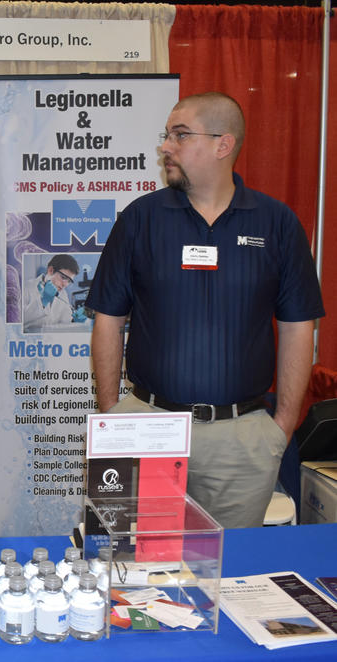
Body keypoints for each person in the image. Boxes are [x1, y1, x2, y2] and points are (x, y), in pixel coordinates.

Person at [86, 92, 324, 529]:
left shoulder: (277, 224)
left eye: (180, 135)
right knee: (132, 559)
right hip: (146, 424)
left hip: (242, 438)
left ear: (223, 144)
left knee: (229, 564)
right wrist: (112, 416)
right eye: (166, 135)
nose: (165, 146)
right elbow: (109, 319)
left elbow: (297, 327)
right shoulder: (139, 219)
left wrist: (282, 426)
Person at [22, 254, 81, 331]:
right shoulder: (26, 287)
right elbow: (19, 321)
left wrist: (74, 320)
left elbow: (65, 323)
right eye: (63, 277)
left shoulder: (63, 294)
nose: (65, 284)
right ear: (51, 270)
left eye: (69, 281)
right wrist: (43, 302)